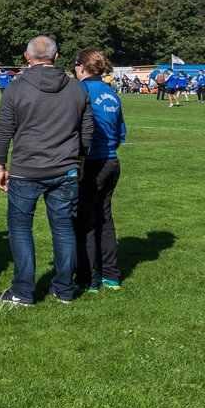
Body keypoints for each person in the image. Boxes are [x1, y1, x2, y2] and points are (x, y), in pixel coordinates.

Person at [0, 35, 92, 305]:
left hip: (27, 170)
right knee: (63, 228)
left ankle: (24, 291)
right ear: (56, 57)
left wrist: (0, 164)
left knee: (21, 229)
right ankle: (64, 289)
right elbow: (87, 131)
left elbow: (3, 130)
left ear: (27, 57)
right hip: (64, 169)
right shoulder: (76, 88)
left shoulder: (16, 88)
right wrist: (80, 161)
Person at [74, 49, 127, 292]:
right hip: (111, 161)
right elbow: (120, 134)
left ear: (82, 67)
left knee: (85, 220)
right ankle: (112, 275)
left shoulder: (82, 91)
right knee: (105, 217)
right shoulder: (112, 94)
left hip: (91, 163)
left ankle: (88, 278)